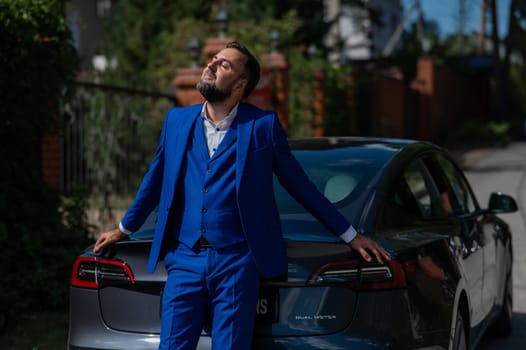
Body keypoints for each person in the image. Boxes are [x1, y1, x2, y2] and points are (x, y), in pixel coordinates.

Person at [93, 41, 391, 350]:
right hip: (185, 258)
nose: (211, 65)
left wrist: (350, 235)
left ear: (240, 84)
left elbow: (300, 186)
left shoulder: (262, 126)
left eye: (224, 65)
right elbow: (154, 180)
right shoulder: (177, 122)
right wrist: (125, 228)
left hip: (236, 261)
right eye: (213, 59)